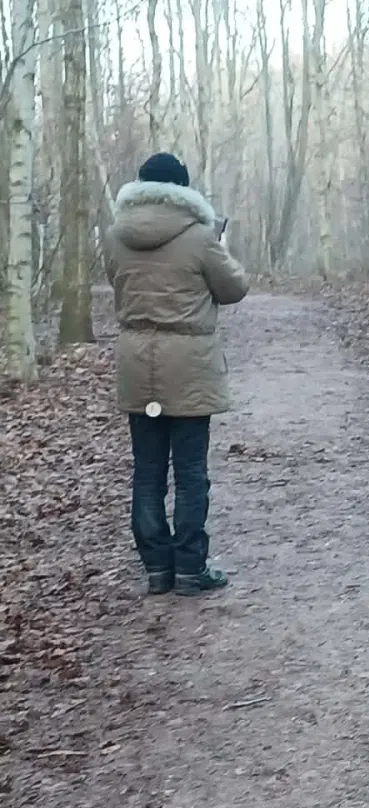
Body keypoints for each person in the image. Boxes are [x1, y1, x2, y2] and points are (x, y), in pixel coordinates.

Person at [102, 152, 250, 597]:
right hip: (189, 365)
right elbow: (234, 288)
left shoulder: (115, 236)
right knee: (189, 471)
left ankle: (157, 569)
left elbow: (119, 284)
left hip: (135, 360)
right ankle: (190, 567)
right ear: (183, 191)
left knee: (147, 471)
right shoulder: (201, 236)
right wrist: (221, 249)